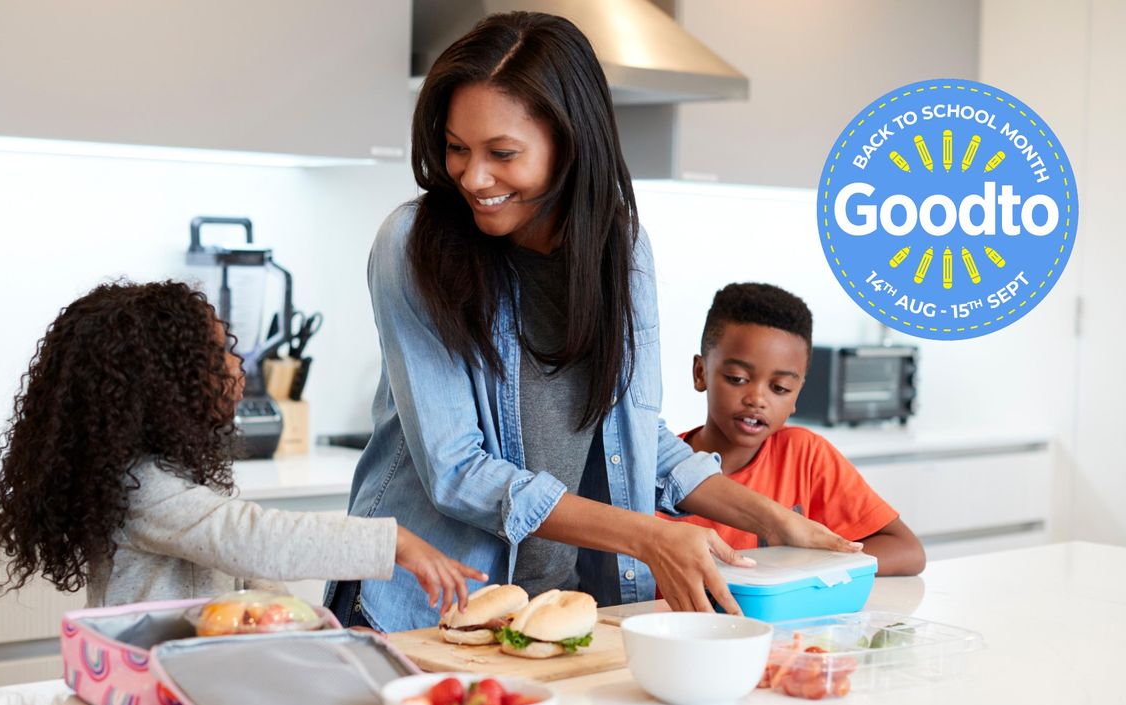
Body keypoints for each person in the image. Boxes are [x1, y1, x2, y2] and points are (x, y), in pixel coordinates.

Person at [327, 11, 858, 633]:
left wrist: (773, 519)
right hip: (421, 608)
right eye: (455, 148)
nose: (473, 177)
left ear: (570, 142)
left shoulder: (620, 250)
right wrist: (645, 537)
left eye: (503, 153)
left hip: (557, 611)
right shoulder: (412, 244)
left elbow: (635, 434)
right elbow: (457, 473)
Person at [0, 280, 485, 610]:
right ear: (166, 382)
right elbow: (250, 540)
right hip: (148, 689)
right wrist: (392, 540)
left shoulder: (167, 473)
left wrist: (307, 624)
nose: (238, 362)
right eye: (220, 350)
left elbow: (238, 567)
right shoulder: (141, 489)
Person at [661, 282, 926, 575]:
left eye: (780, 387)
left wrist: (795, 573)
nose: (757, 399)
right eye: (737, 378)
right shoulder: (657, 474)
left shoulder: (806, 456)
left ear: (797, 394)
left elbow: (907, 550)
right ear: (701, 373)